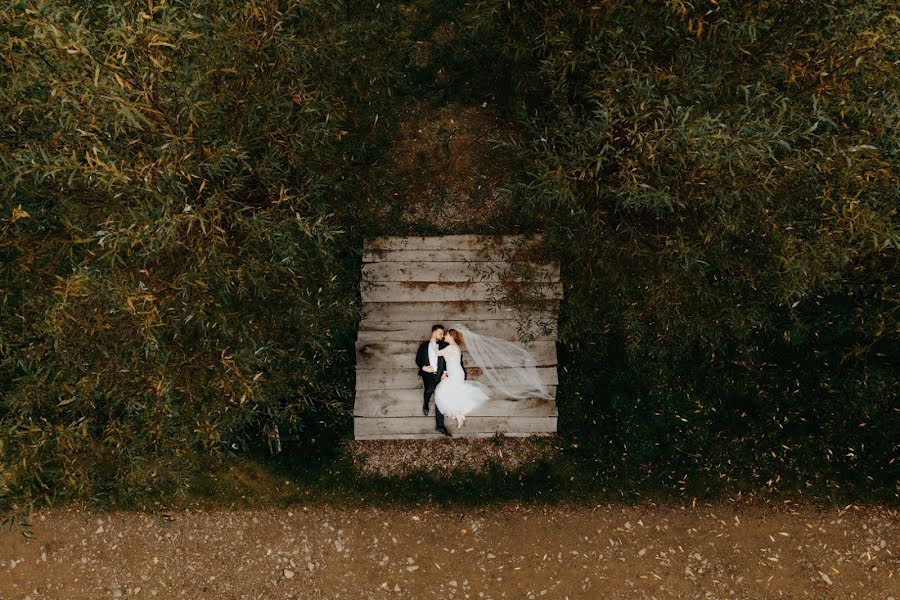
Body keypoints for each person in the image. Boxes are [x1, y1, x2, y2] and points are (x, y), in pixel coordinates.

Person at [433, 328, 491, 429]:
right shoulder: (455, 347)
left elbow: (437, 353)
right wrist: (445, 373)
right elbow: (450, 361)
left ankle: (458, 414)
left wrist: (433, 339)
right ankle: (459, 415)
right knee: (452, 393)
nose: (444, 336)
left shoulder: (451, 347)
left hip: (455, 373)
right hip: (456, 372)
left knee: (442, 391)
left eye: (446, 335)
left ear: (451, 336)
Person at [414, 324, 453, 436]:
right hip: (428, 373)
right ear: (434, 332)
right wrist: (424, 367)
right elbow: (418, 360)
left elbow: (447, 360)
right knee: (429, 389)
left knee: (440, 399)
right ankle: (426, 403)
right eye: (440, 333)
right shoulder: (424, 346)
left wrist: (445, 372)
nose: (442, 336)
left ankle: (440, 426)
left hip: (440, 375)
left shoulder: (444, 345)